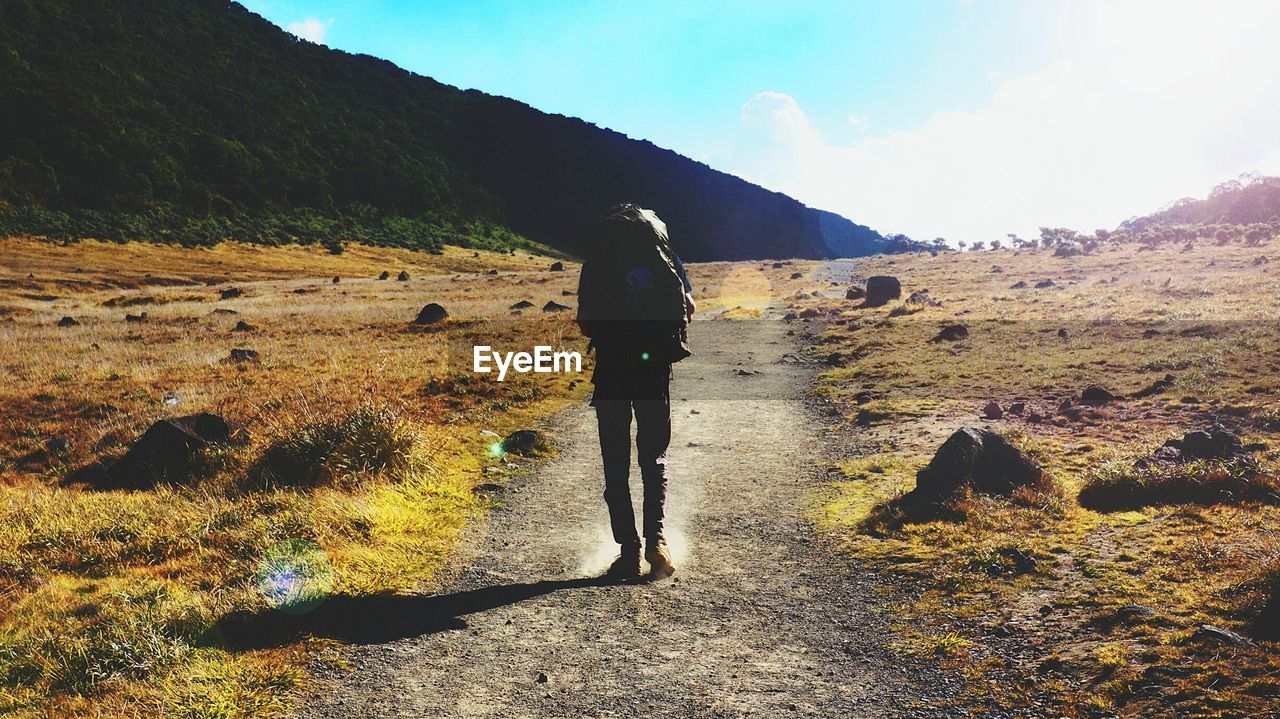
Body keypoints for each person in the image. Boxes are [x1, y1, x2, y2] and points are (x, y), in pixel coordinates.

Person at [575, 204, 695, 579]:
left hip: (612, 367)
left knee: (615, 459)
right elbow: (686, 307)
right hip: (653, 366)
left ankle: (628, 550)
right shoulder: (663, 253)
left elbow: (585, 320)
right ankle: (656, 544)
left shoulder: (599, 256)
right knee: (653, 457)